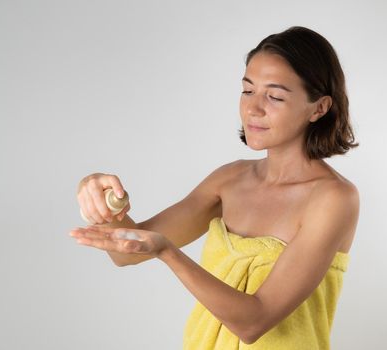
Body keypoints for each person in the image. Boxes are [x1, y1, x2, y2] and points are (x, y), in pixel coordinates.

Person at [70, 25, 360, 349]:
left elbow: (255, 321)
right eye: (248, 90)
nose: (253, 108)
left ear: (319, 108)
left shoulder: (334, 198)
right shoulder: (229, 180)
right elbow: (126, 254)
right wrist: (102, 199)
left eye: (275, 96)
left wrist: (168, 252)